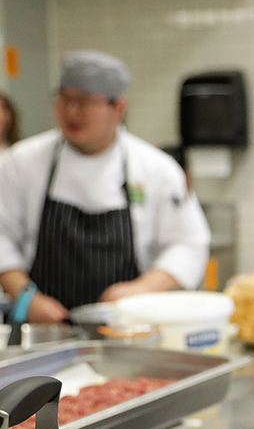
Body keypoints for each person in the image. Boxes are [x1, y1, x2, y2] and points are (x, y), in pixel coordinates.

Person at [0, 50, 210, 324]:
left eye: (85, 102)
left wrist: (141, 289)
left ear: (118, 108)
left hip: (128, 327)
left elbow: (188, 244)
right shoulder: (21, 162)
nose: (72, 112)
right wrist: (27, 297)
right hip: (42, 328)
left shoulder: (156, 169)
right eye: (64, 99)